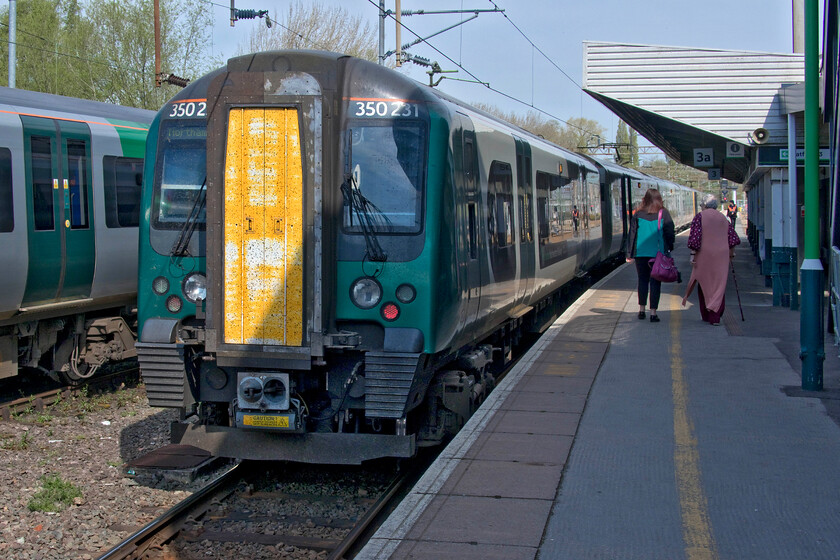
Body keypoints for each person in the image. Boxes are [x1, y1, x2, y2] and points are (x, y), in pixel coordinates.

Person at [682, 195, 741, 326]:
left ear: (704, 205)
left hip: (704, 254)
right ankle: (716, 316)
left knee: (703, 283)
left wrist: (692, 254)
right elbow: (733, 238)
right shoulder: (723, 218)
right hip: (721, 255)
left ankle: (706, 314)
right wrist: (731, 253)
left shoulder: (700, 217)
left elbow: (695, 239)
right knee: (719, 285)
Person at [626, 188, 675, 323]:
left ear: (645, 199)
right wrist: (669, 247)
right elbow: (670, 232)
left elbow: (632, 235)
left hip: (640, 253)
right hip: (657, 254)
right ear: (659, 199)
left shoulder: (638, 214)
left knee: (642, 280)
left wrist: (629, 253)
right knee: (655, 282)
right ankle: (653, 313)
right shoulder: (663, 213)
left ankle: (641, 310)